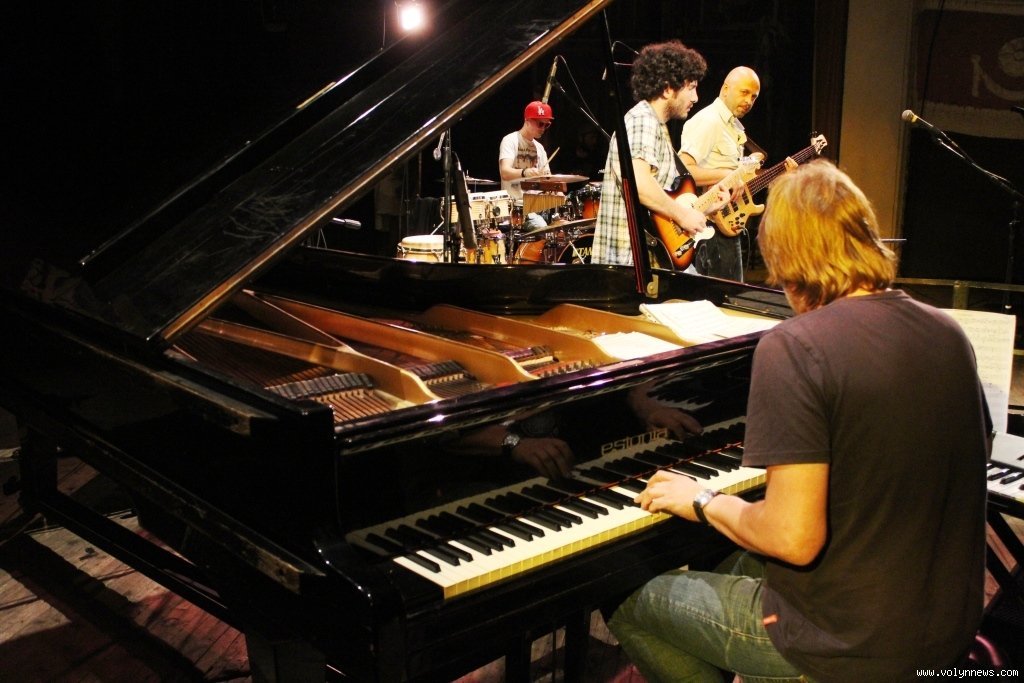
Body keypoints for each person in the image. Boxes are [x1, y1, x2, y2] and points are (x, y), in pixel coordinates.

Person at [608, 160, 991, 682]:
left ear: (784, 256)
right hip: (946, 625)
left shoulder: (795, 346)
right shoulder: (947, 331)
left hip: (847, 644)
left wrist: (703, 499)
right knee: (728, 563)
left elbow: (793, 537)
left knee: (625, 595)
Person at [591, 41, 728, 267]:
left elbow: (662, 201)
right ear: (667, 89)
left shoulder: (656, 125)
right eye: (691, 87)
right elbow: (639, 183)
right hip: (629, 264)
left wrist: (704, 207)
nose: (696, 97)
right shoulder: (642, 121)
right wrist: (683, 216)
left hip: (649, 259)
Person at [678, 66, 768, 280]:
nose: (749, 101)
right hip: (709, 226)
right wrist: (728, 175)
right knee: (723, 294)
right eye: (744, 92)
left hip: (727, 221)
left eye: (754, 97)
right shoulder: (709, 121)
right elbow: (684, 172)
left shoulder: (733, 126)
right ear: (725, 89)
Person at [499, 101, 555, 231]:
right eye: (540, 124)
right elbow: (505, 172)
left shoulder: (540, 148)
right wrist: (525, 172)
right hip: (517, 208)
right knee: (542, 227)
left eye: (546, 125)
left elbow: (548, 180)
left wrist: (556, 190)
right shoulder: (510, 140)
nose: (543, 128)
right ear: (527, 121)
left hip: (539, 206)